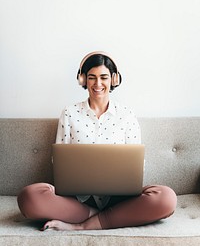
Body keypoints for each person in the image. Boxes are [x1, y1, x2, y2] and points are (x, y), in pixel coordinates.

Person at [17, 51, 177, 231]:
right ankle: (99, 216)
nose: (98, 83)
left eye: (104, 77)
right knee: (29, 197)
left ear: (114, 79)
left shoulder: (127, 114)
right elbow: (59, 161)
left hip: (120, 199)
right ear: (82, 80)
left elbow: (138, 165)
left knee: (167, 198)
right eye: (92, 77)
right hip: (79, 199)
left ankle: (84, 224)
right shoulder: (70, 113)